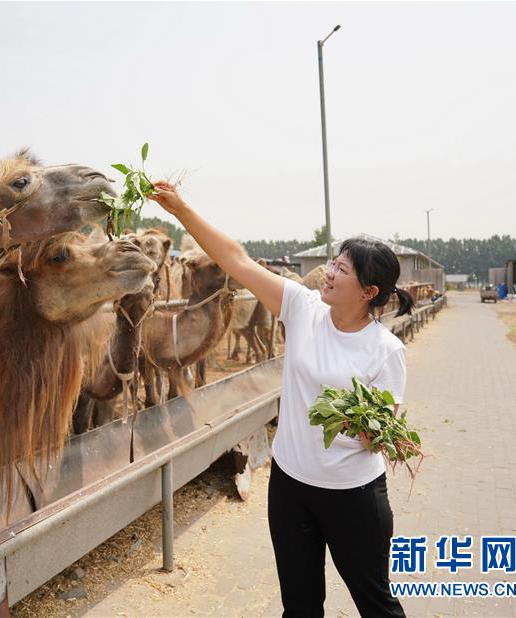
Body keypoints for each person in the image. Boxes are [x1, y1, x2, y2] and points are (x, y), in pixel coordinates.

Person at [149, 182, 414, 617]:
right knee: (300, 607)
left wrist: (352, 421)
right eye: (334, 263)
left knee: (376, 605)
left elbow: (377, 436)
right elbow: (235, 259)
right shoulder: (302, 308)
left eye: (343, 271)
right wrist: (180, 209)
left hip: (353, 496)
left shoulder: (385, 351)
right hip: (291, 488)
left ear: (369, 291)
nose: (329, 272)